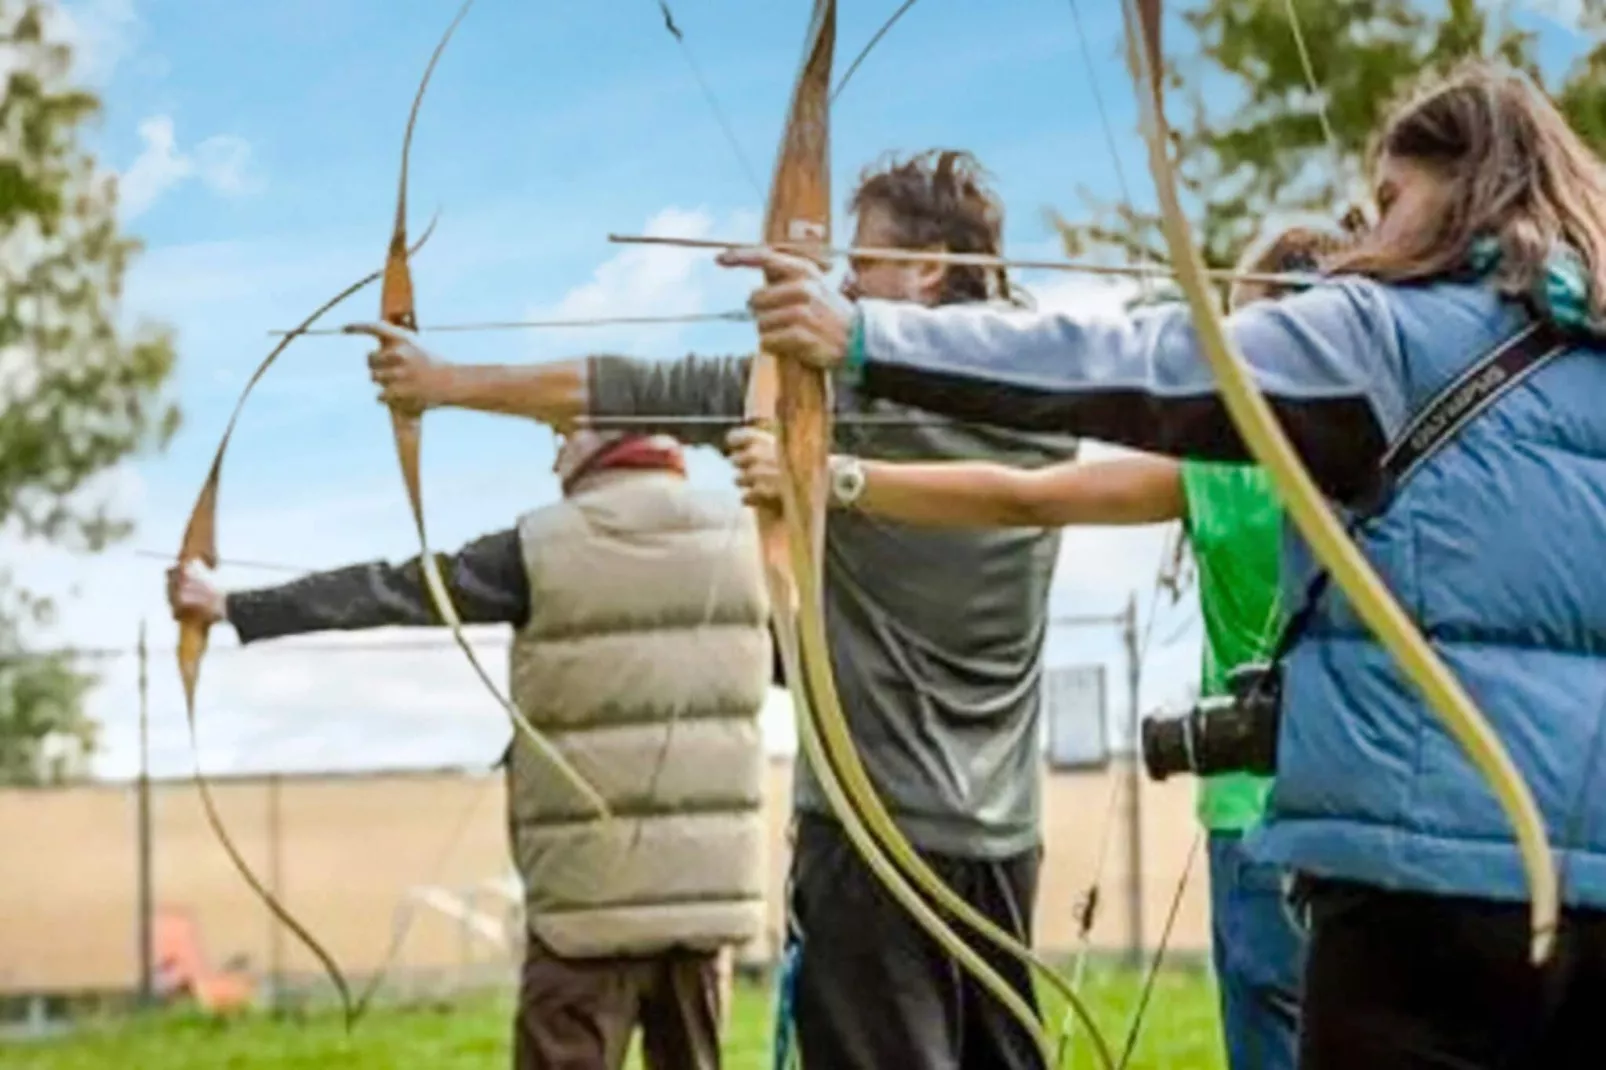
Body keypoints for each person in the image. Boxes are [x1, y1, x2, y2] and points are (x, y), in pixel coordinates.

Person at [721, 62, 1606, 1070]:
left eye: (1390, 201)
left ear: (1466, 189)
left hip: (1418, 884)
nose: (1364, 237)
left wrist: (862, 334)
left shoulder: (1379, 330)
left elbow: (1137, 360)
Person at [349, 150, 1079, 1070]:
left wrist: (447, 382)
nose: (846, 282)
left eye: (866, 263)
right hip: (1004, 836)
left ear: (930, 268)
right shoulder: (1053, 396)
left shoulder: (843, 399)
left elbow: (631, 391)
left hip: (871, 837)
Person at [727, 225, 1337, 1070]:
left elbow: (1028, 497)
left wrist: (835, 477)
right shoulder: (1400, 447)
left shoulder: (1224, 465)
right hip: (1377, 815)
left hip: (1253, 814)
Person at [166, 429, 772, 1070]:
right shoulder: (749, 543)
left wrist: (230, 604)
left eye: (566, 434)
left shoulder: (545, 545)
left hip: (584, 909)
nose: (555, 453)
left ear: (607, 436)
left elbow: (396, 589)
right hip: (706, 910)